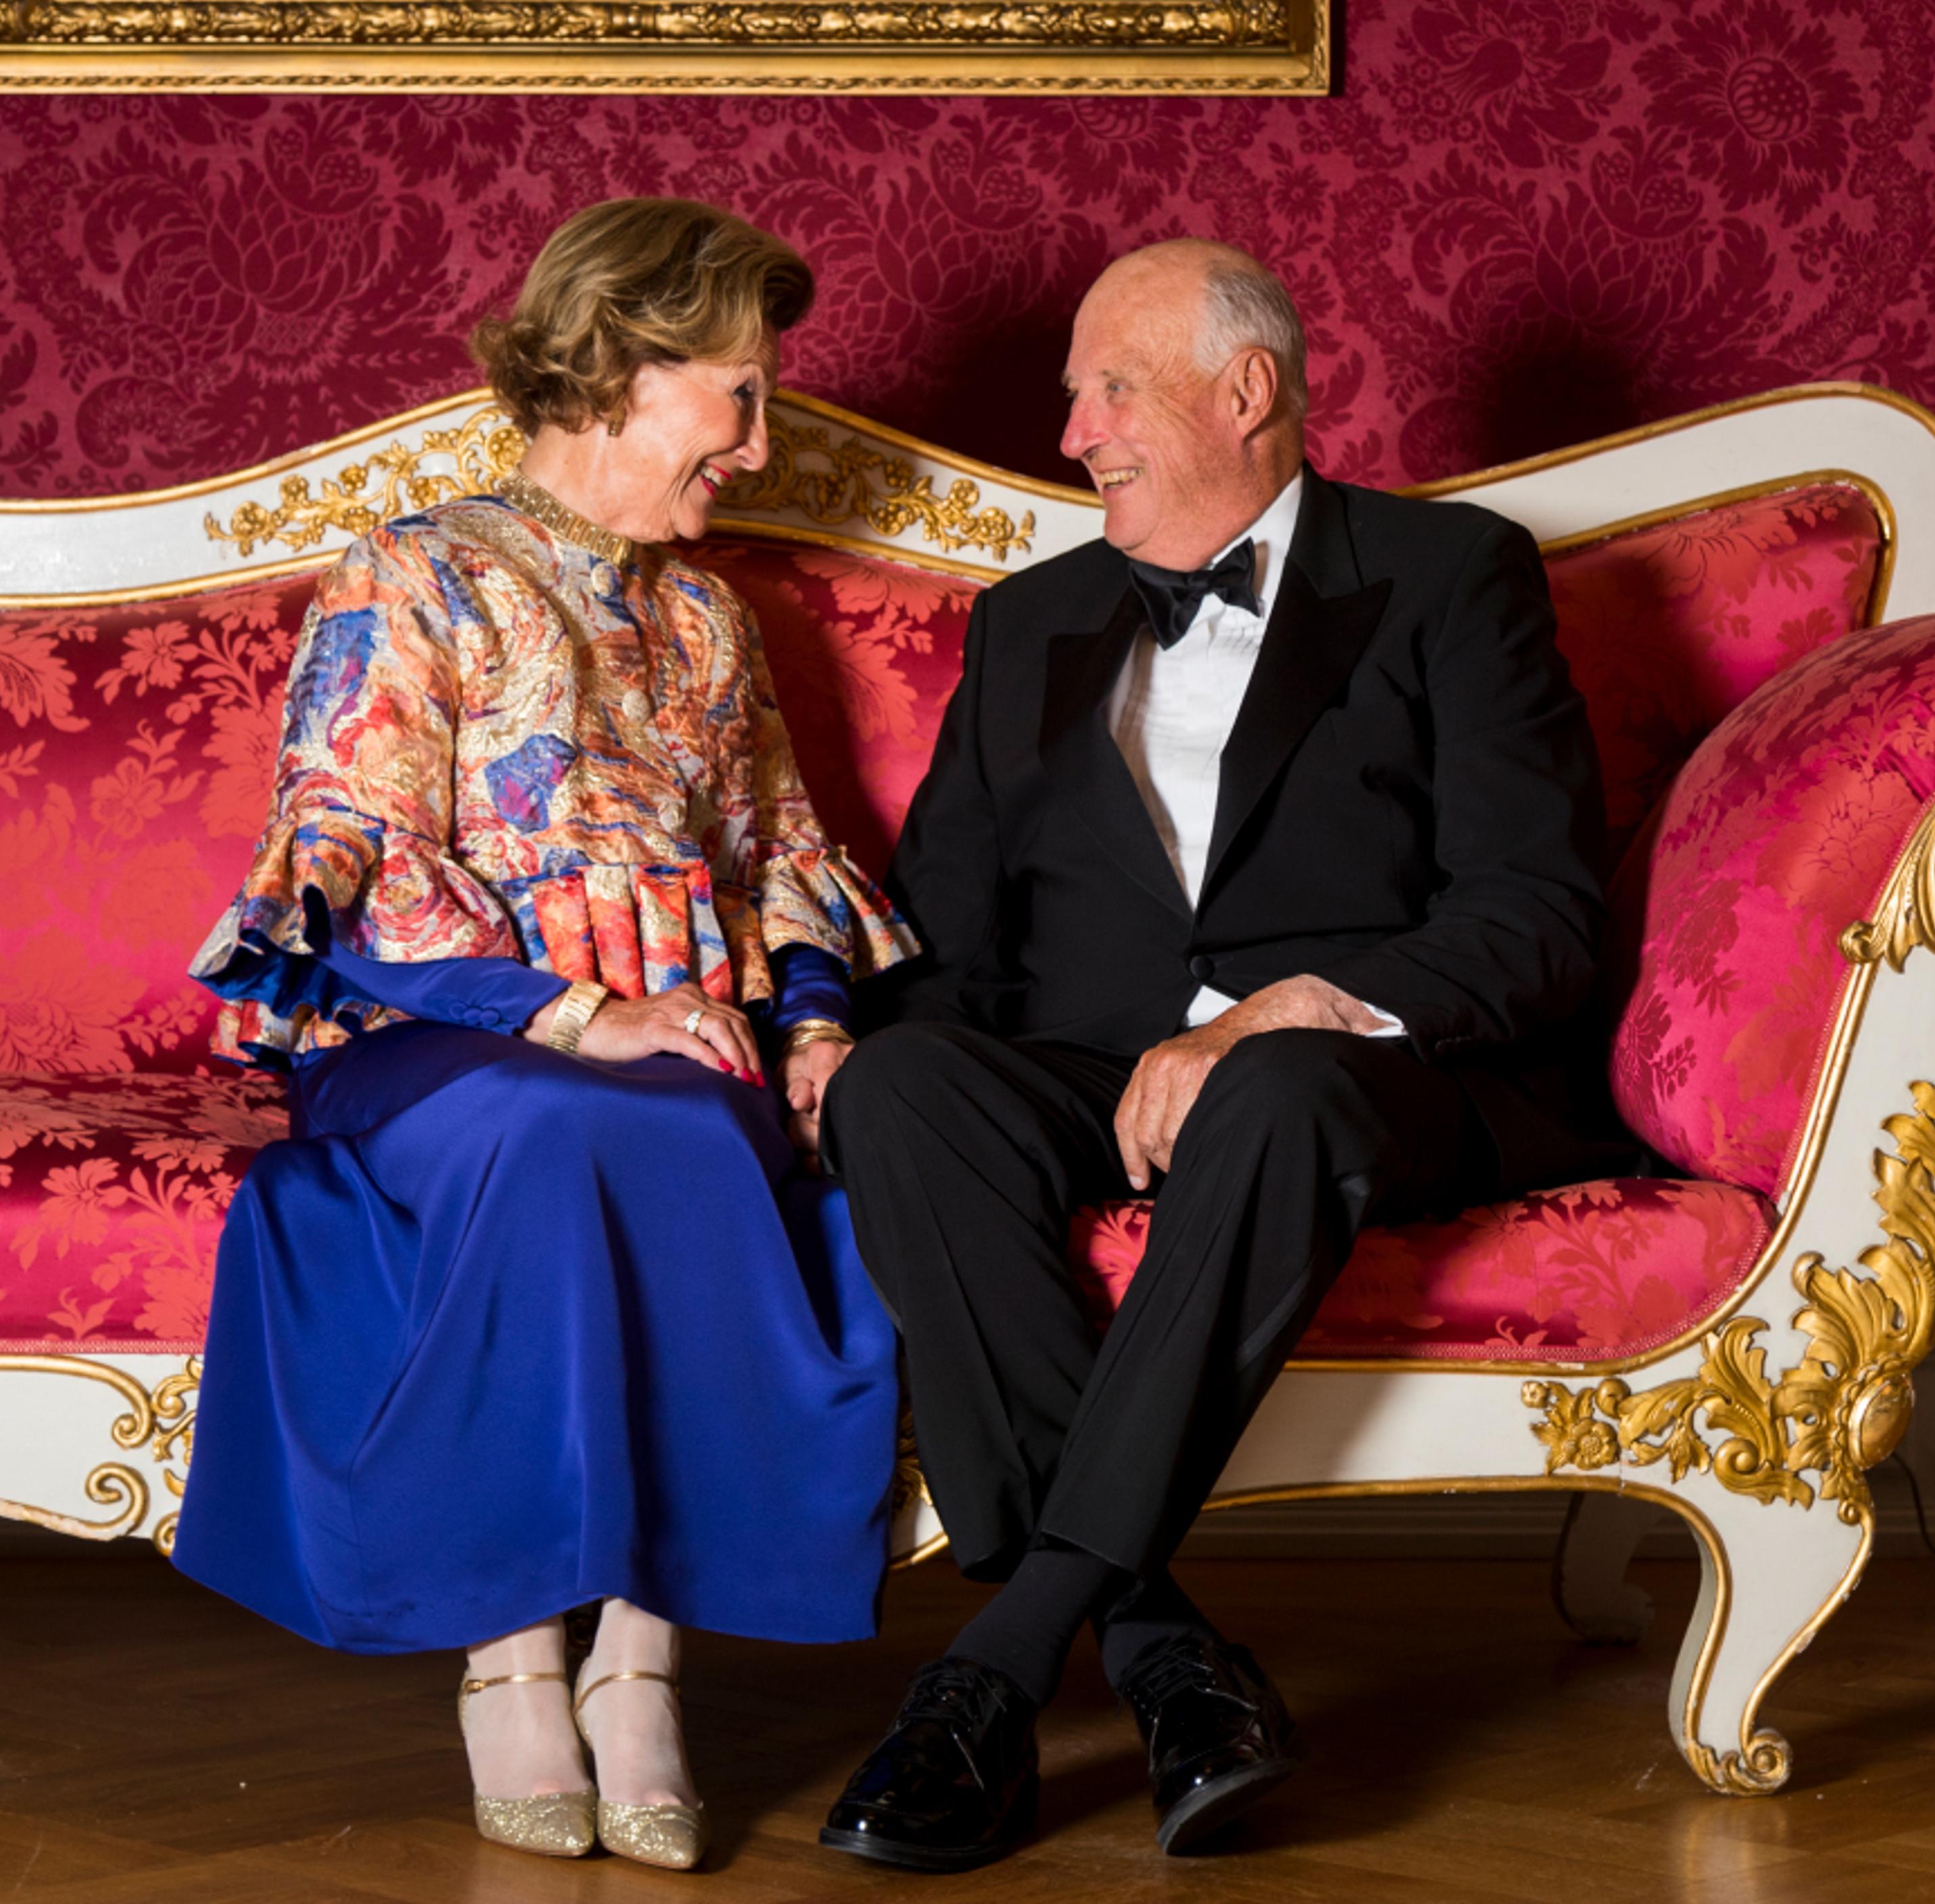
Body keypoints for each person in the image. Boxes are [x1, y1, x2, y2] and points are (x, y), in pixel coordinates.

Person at [815, 239, 1611, 1869]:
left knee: (1275, 1088)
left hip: (1368, 1077)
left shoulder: (1451, 575)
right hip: (1096, 1070)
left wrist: (1289, 1008)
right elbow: (946, 947)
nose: (1074, 433)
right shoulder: (1028, 623)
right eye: (1075, 398)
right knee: (902, 1090)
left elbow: (1537, 915)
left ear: (1246, 391)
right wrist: (836, 1044)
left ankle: (995, 1667)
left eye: (1110, 389)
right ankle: (1168, 1655)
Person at [174, 198, 916, 1871]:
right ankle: (510, 1659)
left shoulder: (712, 624)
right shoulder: (412, 572)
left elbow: (784, 860)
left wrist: (810, 1026)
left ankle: (640, 1665)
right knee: (565, 1117)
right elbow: (348, 854)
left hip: (675, 1042)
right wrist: (578, 1014)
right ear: (627, 369)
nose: (759, 442)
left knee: (688, 1116)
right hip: (436, 1040)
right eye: (740, 395)